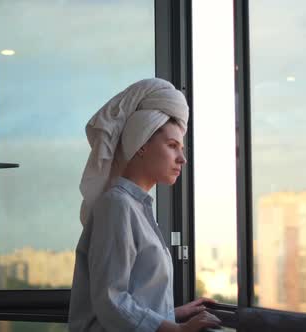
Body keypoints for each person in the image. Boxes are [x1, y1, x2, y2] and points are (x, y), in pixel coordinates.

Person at [69, 78, 222, 332]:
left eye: (181, 148)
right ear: (141, 146)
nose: (182, 158)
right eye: (172, 146)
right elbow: (111, 301)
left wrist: (175, 314)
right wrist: (179, 330)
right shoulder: (117, 206)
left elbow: (132, 299)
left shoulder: (137, 209)